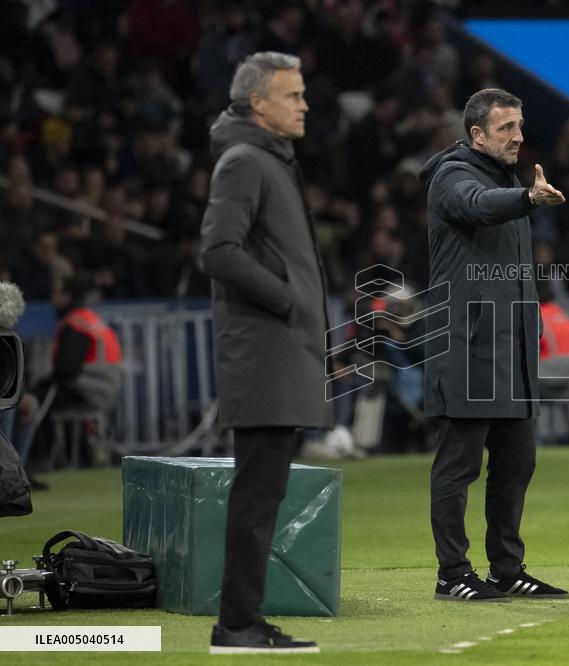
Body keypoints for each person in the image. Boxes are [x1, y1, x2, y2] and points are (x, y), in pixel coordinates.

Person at [199, 52, 329, 654]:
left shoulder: (264, 158)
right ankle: (237, 624)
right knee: (256, 496)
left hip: (278, 350)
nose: (305, 105)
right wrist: (286, 300)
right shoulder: (245, 160)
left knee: (263, 494)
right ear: (258, 103)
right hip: (264, 351)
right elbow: (219, 251)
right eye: (293, 95)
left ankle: (243, 619)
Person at [420, 88, 569, 602]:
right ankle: (452, 573)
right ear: (477, 134)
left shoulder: (508, 179)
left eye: (520, 126)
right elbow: (479, 207)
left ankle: (507, 568)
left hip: (512, 350)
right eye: (506, 128)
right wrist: (527, 198)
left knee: (516, 464)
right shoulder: (452, 177)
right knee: (458, 465)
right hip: (467, 348)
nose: (519, 136)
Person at [4, 273, 122, 481]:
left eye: (57, 293)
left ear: (67, 296)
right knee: (31, 399)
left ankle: (36, 461)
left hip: (88, 387)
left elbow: (66, 369)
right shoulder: (89, 319)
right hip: (106, 388)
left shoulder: (75, 324)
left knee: (39, 401)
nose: (53, 299)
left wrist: (42, 383)